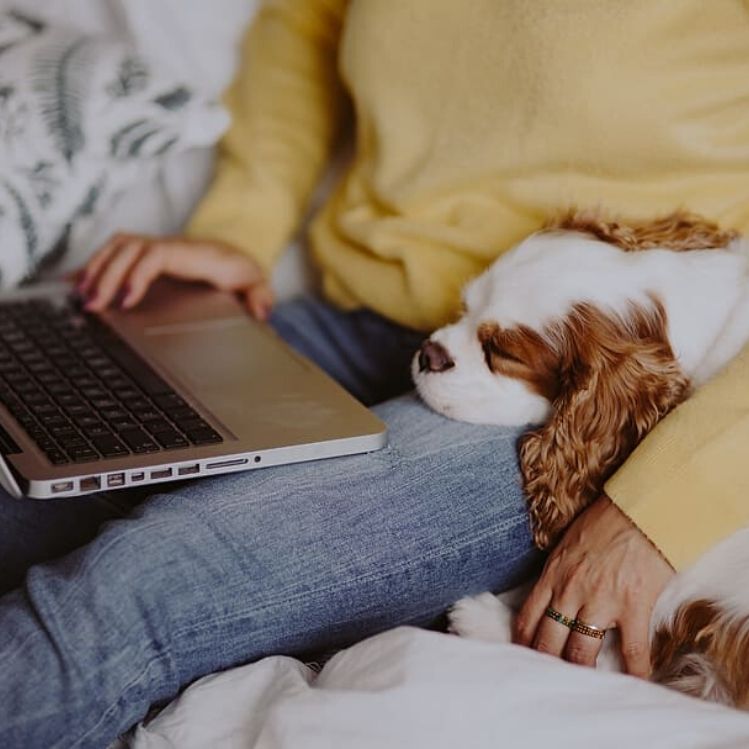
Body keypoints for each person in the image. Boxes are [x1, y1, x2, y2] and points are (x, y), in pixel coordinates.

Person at [3, 1, 749, 745]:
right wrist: (239, 228)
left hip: (594, 397)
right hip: (361, 309)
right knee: (24, 463)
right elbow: (303, 19)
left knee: (134, 590)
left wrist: (655, 512)